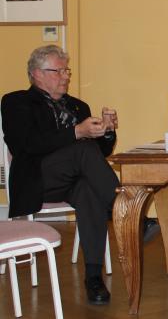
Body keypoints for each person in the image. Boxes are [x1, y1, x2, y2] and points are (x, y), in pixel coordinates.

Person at [1, 45, 120, 305]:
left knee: (89, 191)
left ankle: (93, 277)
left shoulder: (78, 105)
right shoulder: (16, 102)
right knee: (82, 150)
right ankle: (123, 209)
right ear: (37, 74)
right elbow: (25, 145)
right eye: (59, 71)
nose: (66, 76)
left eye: (67, 70)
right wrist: (77, 133)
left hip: (71, 182)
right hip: (36, 179)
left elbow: (97, 154)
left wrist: (107, 131)